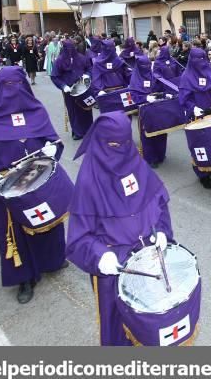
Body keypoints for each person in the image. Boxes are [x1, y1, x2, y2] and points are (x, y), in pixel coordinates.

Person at [0, 67, 69, 303]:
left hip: (40, 181)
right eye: (7, 86)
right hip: (8, 187)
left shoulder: (36, 110)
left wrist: (53, 148)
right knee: (15, 233)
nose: (13, 92)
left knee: (49, 224)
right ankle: (24, 279)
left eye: (17, 85)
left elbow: (53, 140)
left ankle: (52, 260)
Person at [66, 112, 173, 346]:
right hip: (115, 267)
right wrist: (100, 255)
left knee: (150, 320)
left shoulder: (136, 163)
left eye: (125, 143)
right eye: (114, 145)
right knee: (117, 326)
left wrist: (163, 231)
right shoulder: (88, 182)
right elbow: (77, 239)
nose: (121, 150)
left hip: (148, 259)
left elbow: (159, 202)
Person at [179, 48, 211, 189]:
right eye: (197, 59)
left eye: (203, 59)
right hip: (196, 115)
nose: (201, 63)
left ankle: (210, 167)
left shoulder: (209, 71)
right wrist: (193, 108)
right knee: (199, 146)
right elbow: (183, 98)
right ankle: (202, 174)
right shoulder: (186, 76)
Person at [50, 39, 93, 140]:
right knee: (73, 110)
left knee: (86, 108)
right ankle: (77, 132)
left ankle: (89, 130)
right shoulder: (59, 61)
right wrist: (63, 86)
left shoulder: (82, 58)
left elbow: (89, 68)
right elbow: (54, 76)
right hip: (69, 90)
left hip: (84, 87)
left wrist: (87, 75)